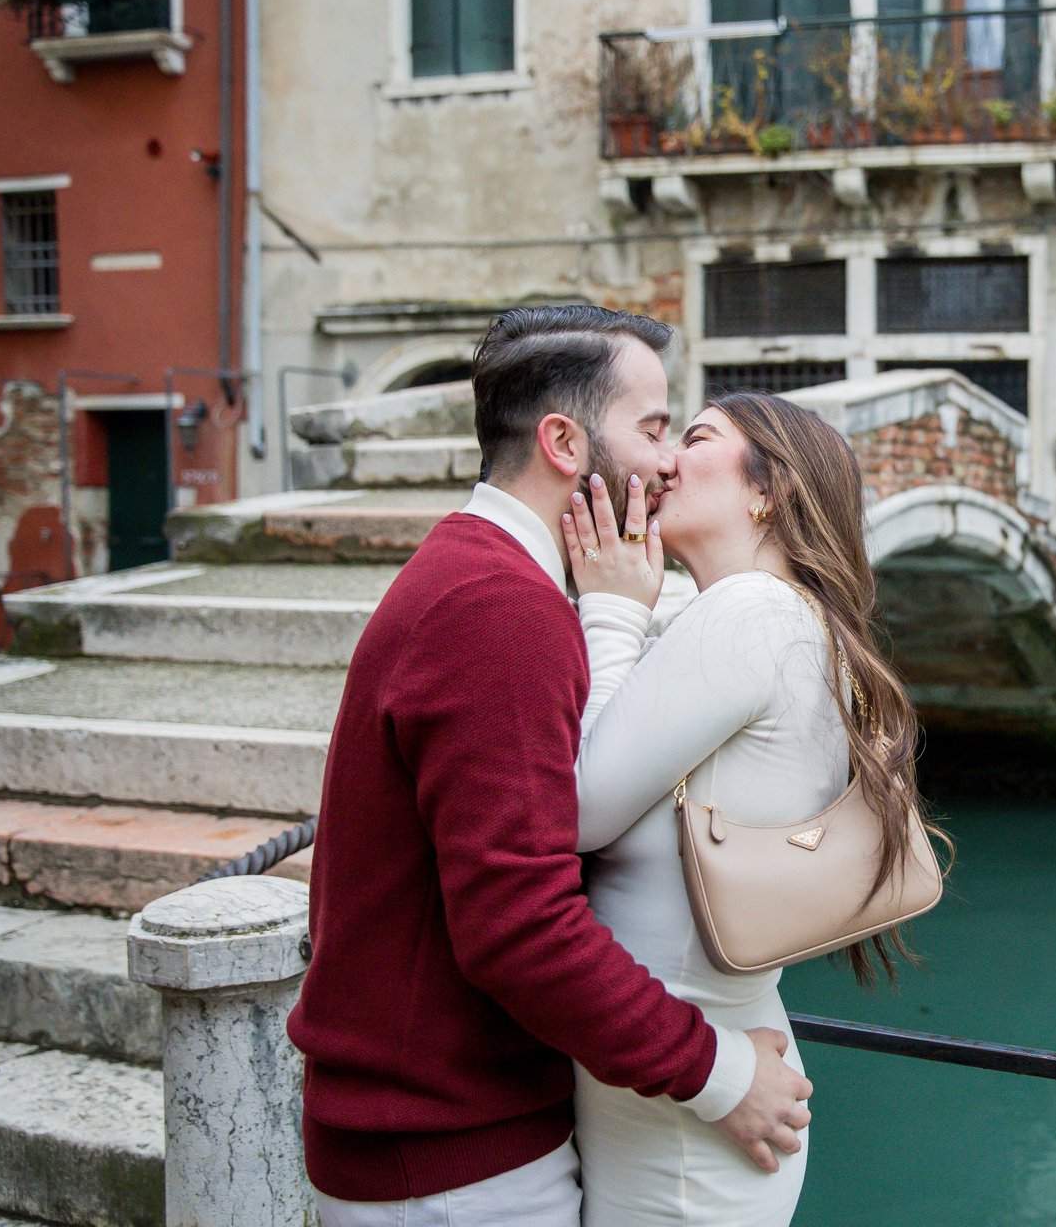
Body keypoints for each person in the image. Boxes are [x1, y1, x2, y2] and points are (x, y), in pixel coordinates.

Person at [287, 307, 812, 1225]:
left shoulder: (477, 575)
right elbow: (519, 928)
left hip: (436, 1144)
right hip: (453, 1165)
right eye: (652, 429)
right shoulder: (504, 611)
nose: (665, 462)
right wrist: (722, 1074)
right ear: (564, 443)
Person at [559, 390, 941, 1226]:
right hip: (698, 1082)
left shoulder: (749, 613)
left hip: (685, 1134)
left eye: (697, 437)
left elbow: (578, 808)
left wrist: (613, 612)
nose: (666, 460)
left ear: (770, 489)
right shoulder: (789, 619)